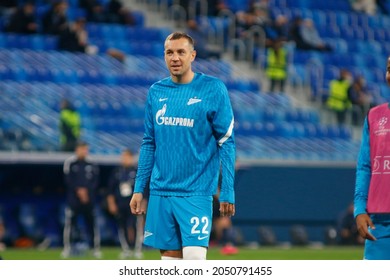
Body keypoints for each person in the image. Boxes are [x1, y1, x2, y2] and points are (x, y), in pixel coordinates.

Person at [129, 32, 236, 260]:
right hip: (161, 193)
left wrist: (227, 189)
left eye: (181, 52)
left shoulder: (213, 89)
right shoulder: (156, 92)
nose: (175, 57)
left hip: (196, 193)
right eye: (170, 52)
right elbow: (149, 143)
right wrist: (139, 188)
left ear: (193, 56)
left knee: (194, 263)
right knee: (169, 264)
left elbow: (226, 143)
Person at [354, 56, 390, 260]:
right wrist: (359, 209)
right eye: (389, 68)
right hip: (379, 225)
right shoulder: (374, 116)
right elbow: (365, 167)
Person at [61, 141, 101, 258]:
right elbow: (68, 181)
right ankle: (67, 248)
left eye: (86, 149)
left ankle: (95, 249)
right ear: (77, 150)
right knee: (70, 224)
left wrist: (86, 192)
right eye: (82, 149)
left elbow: (95, 181)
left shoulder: (92, 163)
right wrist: (79, 191)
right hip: (74, 200)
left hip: (89, 200)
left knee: (92, 224)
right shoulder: (70, 162)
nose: (84, 151)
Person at [107, 149, 145, 259]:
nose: (125, 159)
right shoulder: (117, 171)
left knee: (136, 226)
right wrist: (111, 203)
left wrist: (143, 203)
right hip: (121, 203)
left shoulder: (137, 171)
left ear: (132, 158)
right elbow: (110, 190)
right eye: (123, 157)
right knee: (121, 226)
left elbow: (144, 188)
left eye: (127, 157)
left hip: (134, 204)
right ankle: (126, 249)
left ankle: (138, 249)